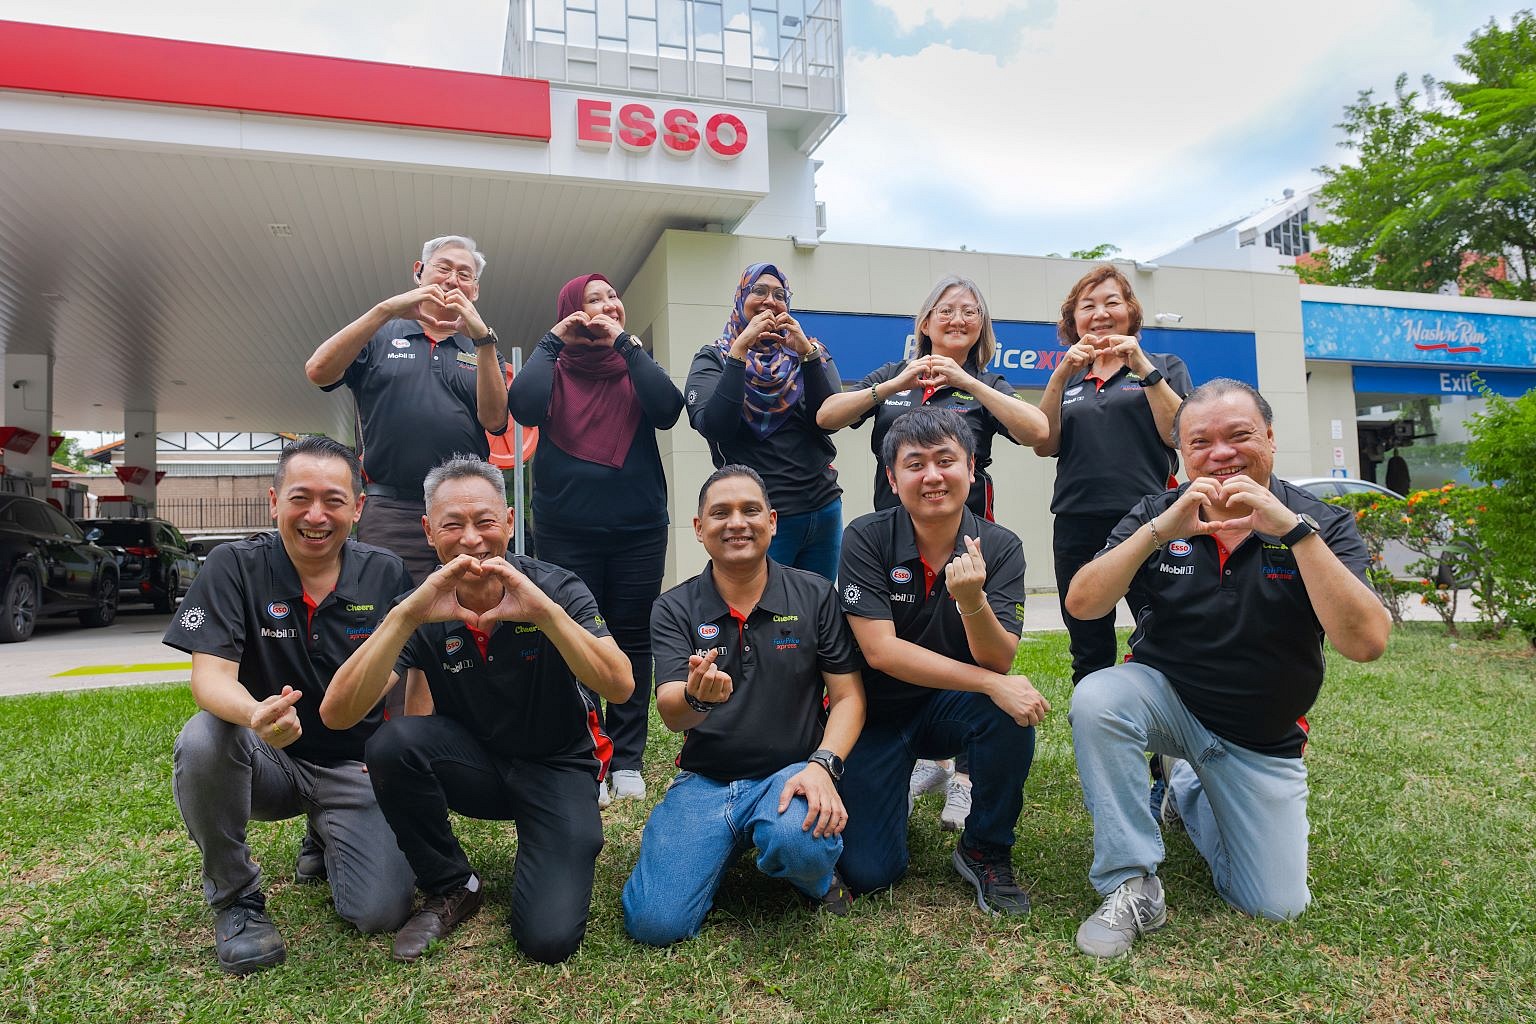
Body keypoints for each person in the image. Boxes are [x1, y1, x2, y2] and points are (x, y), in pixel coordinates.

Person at [1065, 378, 1390, 958]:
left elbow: (1365, 643)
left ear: (1269, 437)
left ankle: (1186, 785)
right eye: (1200, 442)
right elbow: (1083, 603)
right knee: (1098, 697)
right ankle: (1131, 881)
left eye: (1239, 436)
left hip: (1259, 736)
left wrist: (1291, 531)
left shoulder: (1319, 522)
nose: (1220, 454)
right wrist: (1159, 530)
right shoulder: (1157, 514)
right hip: (1167, 700)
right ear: (1182, 454)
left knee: (1275, 906)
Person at [320, 456, 633, 965]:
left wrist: (545, 615)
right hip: (478, 766)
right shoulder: (419, 606)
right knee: (392, 744)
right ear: (427, 531)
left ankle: (556, 842)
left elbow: (620, 686)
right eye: (452, 525)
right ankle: (452, 883)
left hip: (557, 766)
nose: (471, 540)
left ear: (509, 521)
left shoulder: (556, 588)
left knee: (548, 941)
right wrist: (403, 617)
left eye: (485, 522)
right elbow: (338, 713)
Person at [164, 436, 415, 975]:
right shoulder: (233, 565)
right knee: (205, 737)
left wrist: (402, 762)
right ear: (274, 500)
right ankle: (236, 902)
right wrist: (255, 715)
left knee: (381, 911)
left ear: (359, 507)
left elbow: (409, 676)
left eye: (334, 500)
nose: (316, 516)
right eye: (300, 498)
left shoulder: (387, 573)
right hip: (269, 759)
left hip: (355, 765)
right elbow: (209, 679)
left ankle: (324, 831)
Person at [817, 274, 1050, 832]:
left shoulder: (984, 380)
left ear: (982, 329)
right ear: (925, 322)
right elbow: (827, 416)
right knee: (901, 630)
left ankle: (966, 778)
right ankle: (930, 759)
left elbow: (1039, 430)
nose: (958, 318)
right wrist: (893, 381)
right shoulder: (895, 378)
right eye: (947, 309)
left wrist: (970, 382)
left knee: (960, 627)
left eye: (971, 312)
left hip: (964, 530)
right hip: (891, 527)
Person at [622, 465, 865, 944]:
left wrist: (822, 766)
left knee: (800, 843)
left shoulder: (815, 594)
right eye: (720, 513)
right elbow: (672, 713)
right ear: (698, 529)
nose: (737, 522)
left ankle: (812, 874)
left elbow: (849, 697)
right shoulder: (673, 607)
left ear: (772, 522)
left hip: (790, 774)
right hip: (707, 781)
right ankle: (713, 845)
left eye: (750, 510)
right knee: (653, 925)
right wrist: (697, 696)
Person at [836, 408, 1049, 916]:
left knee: (1008, 709)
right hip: (877, 715)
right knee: (870, 871)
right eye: (914, 465)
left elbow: (998, 658)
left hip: (954, 709)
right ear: (892, 478)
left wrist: (972, 601)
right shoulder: (866, 537)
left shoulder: (1000, 546)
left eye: (945, 460)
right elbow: (879, 651)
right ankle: (896, 784)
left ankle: (985, 846)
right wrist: (990, 683)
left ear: (971, 468)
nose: (932, 476)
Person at [508, 273, 684, 807]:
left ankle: (628, 756)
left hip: (638, 530)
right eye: (593, 300)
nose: (607, 305)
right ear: (570, 311)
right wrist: (550, 341)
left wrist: (627, 345)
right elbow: (524, 407)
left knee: (631, 637)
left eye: (612, 297)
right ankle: (590, 749)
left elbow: (668, 409)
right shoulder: (554, 368)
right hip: (566, 531)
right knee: (575, 638)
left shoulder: (632, 364)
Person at [305, 234, 509, 586]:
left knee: (469, 609)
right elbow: (318, 371)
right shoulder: (381, 335)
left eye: (465, 274)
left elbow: (495, 420)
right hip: (391, 508)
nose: (452, 279)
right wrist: (386, 310)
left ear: (474, 290)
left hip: (464, 510)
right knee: (386, 612)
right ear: (419, 272)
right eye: (443, 268)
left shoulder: (481, 349)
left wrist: (484, 340)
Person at [1034, 264, 1192, 684]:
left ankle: (1168, 744)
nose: (1100, 313)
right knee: (1088, 644)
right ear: (1074, 320)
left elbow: (1178, 434)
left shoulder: (1162, 365)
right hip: (1076, 523)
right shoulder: (1069, 376)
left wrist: (1142, 367)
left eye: (1111, 302)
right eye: (1088, 306)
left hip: (1148, 519)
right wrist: (1060, 375)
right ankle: (1096, 737)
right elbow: (1044, 443)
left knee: (1162, 635)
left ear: (1131, 311)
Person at [685, 262, 844, 580]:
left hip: (823, 510)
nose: (770, 300)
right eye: (758, 291)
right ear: (740, 298)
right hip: (760, 516)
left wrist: (808, 355)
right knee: (767, 616)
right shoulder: (714, 357)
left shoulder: (810, 352)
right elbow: (715, 426)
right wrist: (739, 350)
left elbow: (829, 419)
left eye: (779, 294)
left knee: (820, 609)